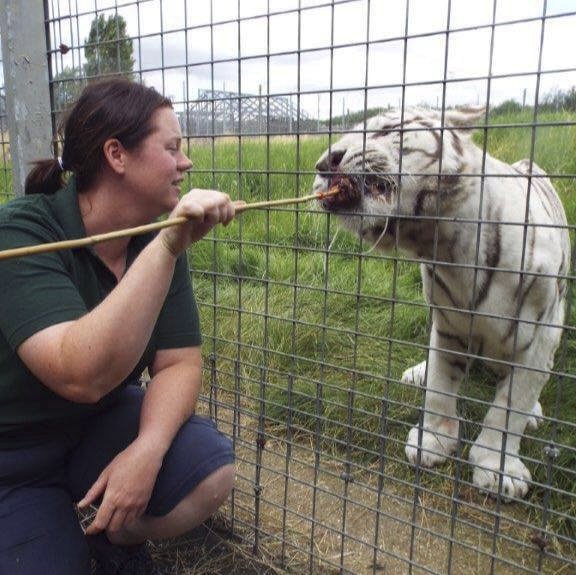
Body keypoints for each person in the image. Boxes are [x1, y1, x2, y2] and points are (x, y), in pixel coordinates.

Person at [0, 78, 237, 575]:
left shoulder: (154, 240)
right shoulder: (22, 231)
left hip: (93, 429)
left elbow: (179, 362)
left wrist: (147, 452)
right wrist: (168, 248)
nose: (185, 163)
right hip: (14, 454)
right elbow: (78, 373)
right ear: (116, 155)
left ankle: (112, 534)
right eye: (171, 148)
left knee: (208, 468)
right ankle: (52, 526)